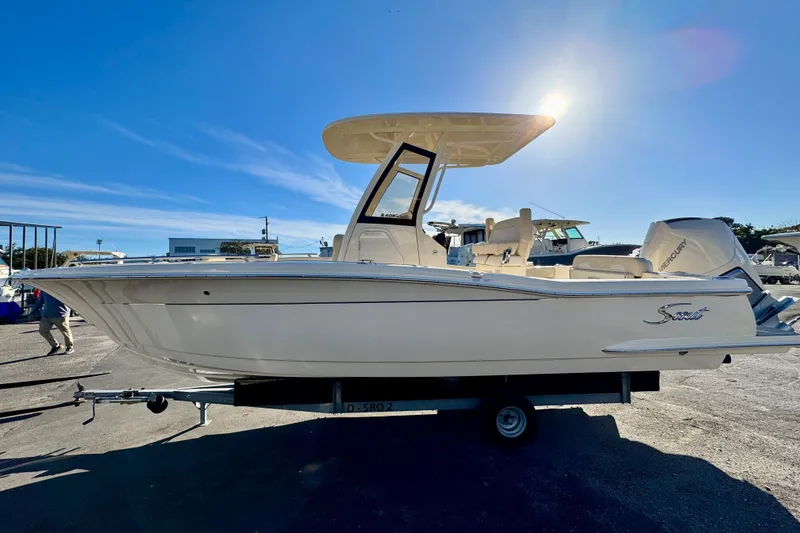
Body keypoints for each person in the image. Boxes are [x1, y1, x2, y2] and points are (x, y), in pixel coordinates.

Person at [30, 291, 74, 355]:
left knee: (65, 331)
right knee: (43, 330)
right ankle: (56, 346)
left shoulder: (61, 288)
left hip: (61, 314)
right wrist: (33, 311)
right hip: (47, 314)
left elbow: (70, 299)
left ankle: (70, 347)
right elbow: (39, 301)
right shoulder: (44, 290)